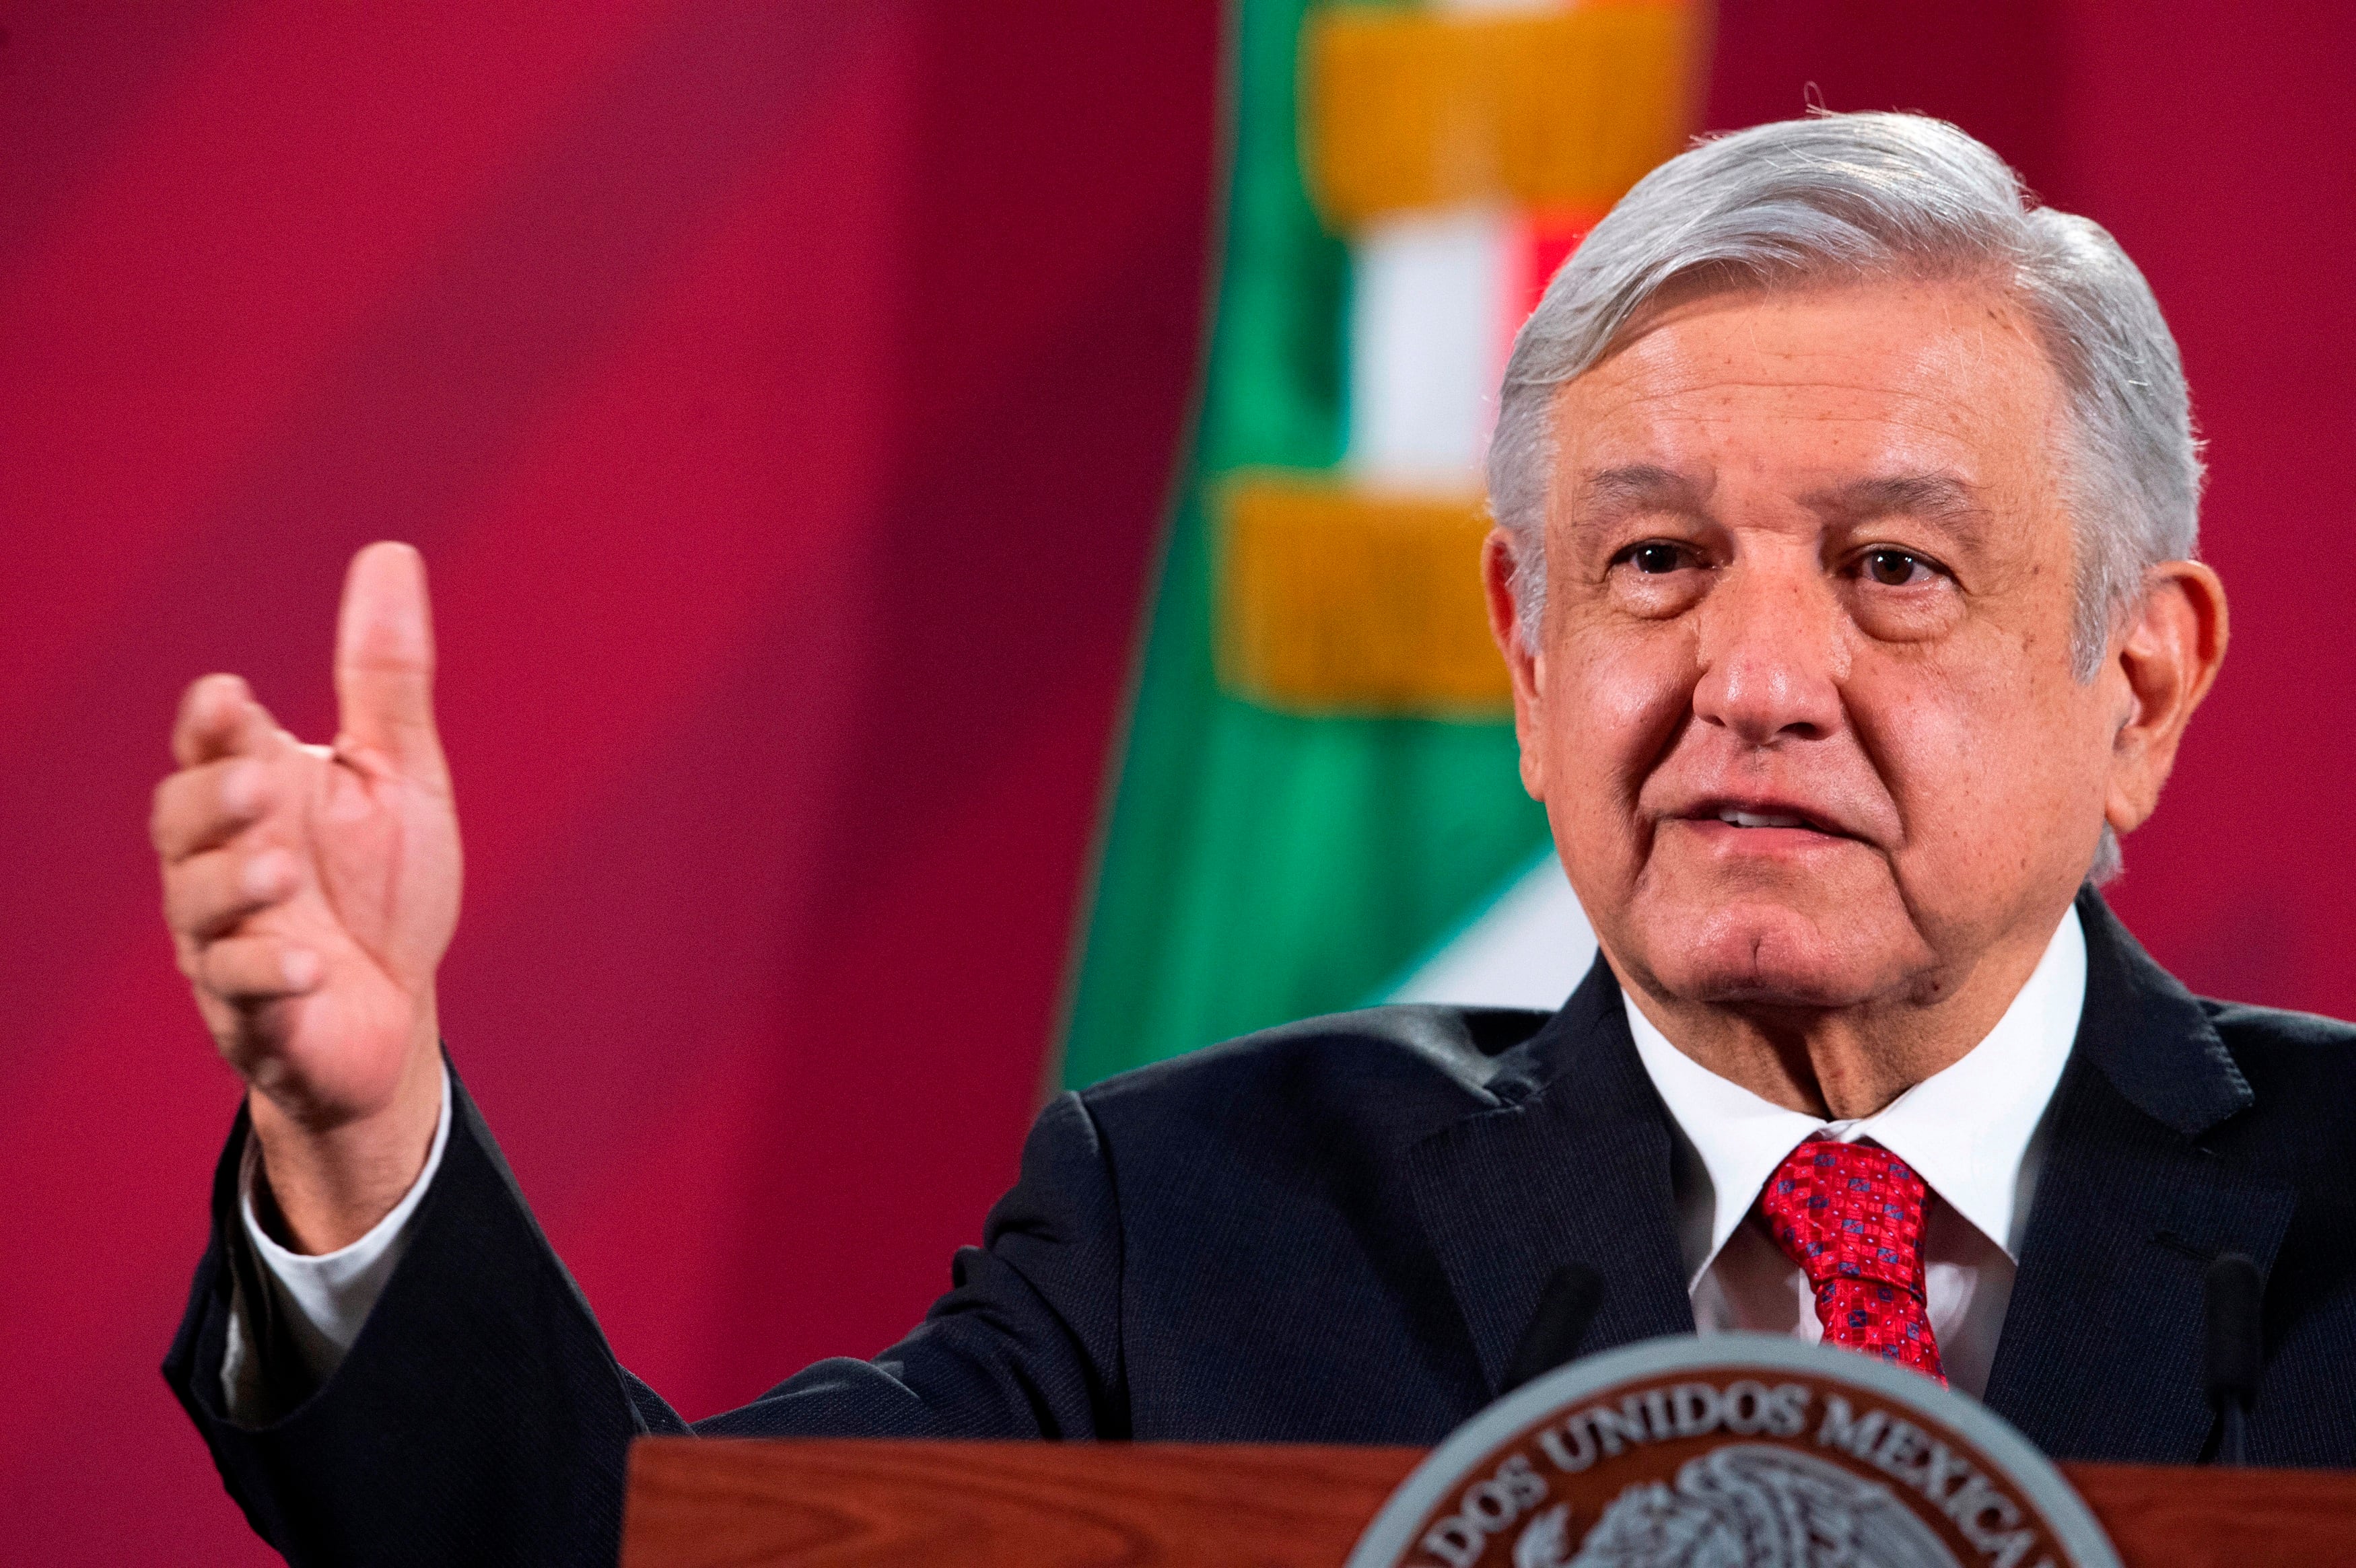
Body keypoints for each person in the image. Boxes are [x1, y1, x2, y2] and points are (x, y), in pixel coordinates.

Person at [155, 113, 2356, 1567]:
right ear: (1523, 647)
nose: (1750, 680)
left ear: (2139, 683)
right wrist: (366, 1147)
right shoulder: (1195, 1228)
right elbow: (642, 1551)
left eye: (1888, 568)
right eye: (1657, 564)